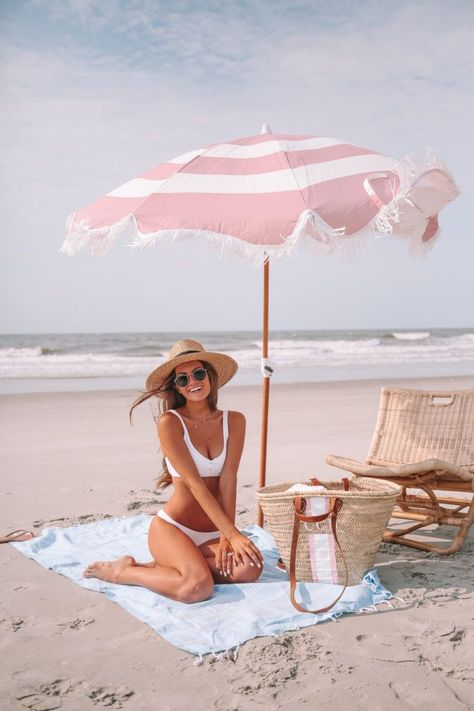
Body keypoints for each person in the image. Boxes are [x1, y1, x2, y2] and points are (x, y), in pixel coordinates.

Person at [84, 339, 264, 603]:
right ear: (176, 387)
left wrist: (227, 534)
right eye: (183, 379)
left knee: (251, 568)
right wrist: (233, 535)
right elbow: (195, 486)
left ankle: (164, 567)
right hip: (174, 529)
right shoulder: (170, 423)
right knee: (197, 588)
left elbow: (229, 479)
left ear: (210, 376)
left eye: (198, 373)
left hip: (212, 533)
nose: (193, 381)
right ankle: (124, 572)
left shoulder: (234, 421)